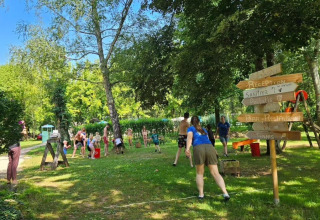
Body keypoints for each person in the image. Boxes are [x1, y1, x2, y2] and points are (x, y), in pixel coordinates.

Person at [185, 116, 230, 201]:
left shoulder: (190, 129)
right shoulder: (204, 130)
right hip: (210, 148)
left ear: (191, 122)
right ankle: (225, 193)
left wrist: (187, 149)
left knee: (199, 173)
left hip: (199, 148)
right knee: (216, 173)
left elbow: (189, 138)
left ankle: (201, 195)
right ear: (199, 122)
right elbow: (208, 140)